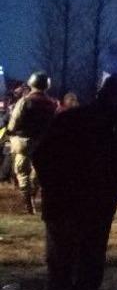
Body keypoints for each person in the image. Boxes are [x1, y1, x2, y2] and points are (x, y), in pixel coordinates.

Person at [32, 74, 117, 290]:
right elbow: (43, 156)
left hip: (96, 208)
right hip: (68, 207)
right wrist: (59, 190)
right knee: (65, 266)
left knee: (87, 266)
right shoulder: (76, 120)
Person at [8, 71, 57, 214]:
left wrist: (10, 131)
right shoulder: (53, 103)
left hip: (23, 142)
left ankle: (28, 203)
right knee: (37, 172)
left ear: (32, 83)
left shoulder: (25, 101)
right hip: (43, 142)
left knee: (22, 171)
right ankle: (33, 196)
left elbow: (14, 122)